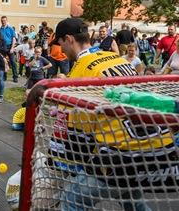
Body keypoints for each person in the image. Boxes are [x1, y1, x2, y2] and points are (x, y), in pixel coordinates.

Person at [47, 18, 148, 211]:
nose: (60, 51)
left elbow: (77, 135)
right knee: (132, 202)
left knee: (71, 200)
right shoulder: (115, 57)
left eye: (59, 44)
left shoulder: (81, 67)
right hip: (150, 146)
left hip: (120, 153)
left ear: (68, 39)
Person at [0, 16, 18, 83]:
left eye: (4, 20)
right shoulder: (0, 29)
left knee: (13, 62)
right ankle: (4, 76)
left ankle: (15, 77)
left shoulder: (10, 29)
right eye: (2, 20)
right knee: (3, 62)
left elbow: (14, 39)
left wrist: (12, 48)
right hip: (3, 47)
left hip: (10, 46)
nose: (3, 22)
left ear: (6, 21)